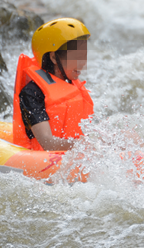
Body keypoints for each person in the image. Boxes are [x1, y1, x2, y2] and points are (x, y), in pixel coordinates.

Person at [12, 18, 93, 151]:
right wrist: (86, 147)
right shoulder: (32, 93)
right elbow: (48, 143)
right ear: (54, 57)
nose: (82, 63)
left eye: (84, 56)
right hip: (40, 160)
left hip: (71, 152)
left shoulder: (72, 85)